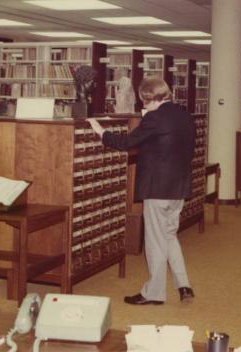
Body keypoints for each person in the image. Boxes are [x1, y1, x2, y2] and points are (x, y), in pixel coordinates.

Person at [87, 77, 195, 306]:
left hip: (158, 189)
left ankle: (153, 293)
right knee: (169, 236)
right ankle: (184, 286)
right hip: (179, 188)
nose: (143, 106)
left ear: (148, 98)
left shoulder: (155, 118)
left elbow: (126, 143)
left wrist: (100, 131)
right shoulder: (184, 115)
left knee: (155, 241)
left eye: (144, 101)